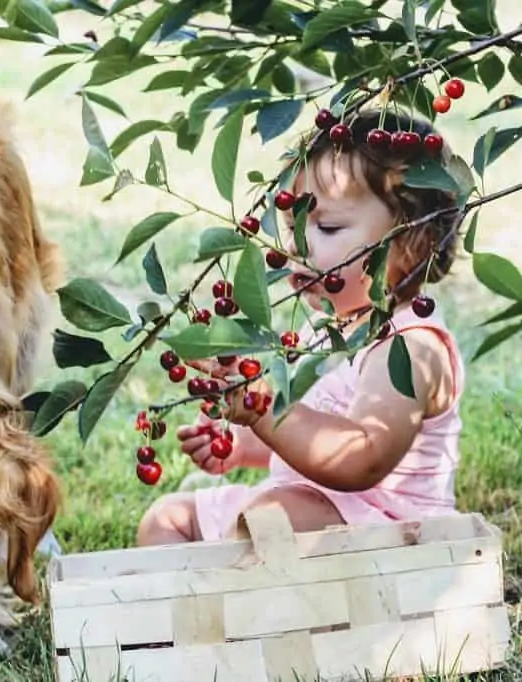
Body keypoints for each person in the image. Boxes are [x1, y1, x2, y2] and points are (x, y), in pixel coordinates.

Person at [136, 108, 467, 545]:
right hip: (301, 505)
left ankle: (238, 607)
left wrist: (264, 412)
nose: (297, 247)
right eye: (294, 226)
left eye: (326, 226)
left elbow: (361, 458)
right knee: (168, 518)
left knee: (271, 520)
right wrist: (242, 444)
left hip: (387, 534)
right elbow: (304, 440)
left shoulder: (411, 348)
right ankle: (194, 609)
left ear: (412, 242)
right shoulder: (324, 330)